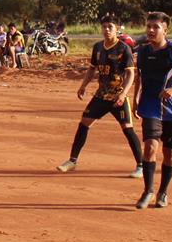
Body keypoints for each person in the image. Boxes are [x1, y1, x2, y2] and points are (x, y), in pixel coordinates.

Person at [57, 14, 143, 178]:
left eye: (110, 27)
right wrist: (83, 85)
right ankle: (72, 161)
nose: (106, 30)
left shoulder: (124, 48)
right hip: (101, 96)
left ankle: (140, 165)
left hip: (118, 97)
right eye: (104, 27)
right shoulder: (97, 47)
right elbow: (92, 69)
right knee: (84, 123)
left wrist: (124, 93)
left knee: (128, 129)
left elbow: (131, 74)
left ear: (117, 29)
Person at [133, 11, 172, 209]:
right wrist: (135, 98)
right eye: (148, 27)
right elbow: (139, 76)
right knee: (150, 147)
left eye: (156, 27)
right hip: (150, 106)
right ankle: (148, 191)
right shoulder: (143, 52)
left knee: (169, 153)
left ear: (165, 30)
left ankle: (163, 192)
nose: (151, 30)